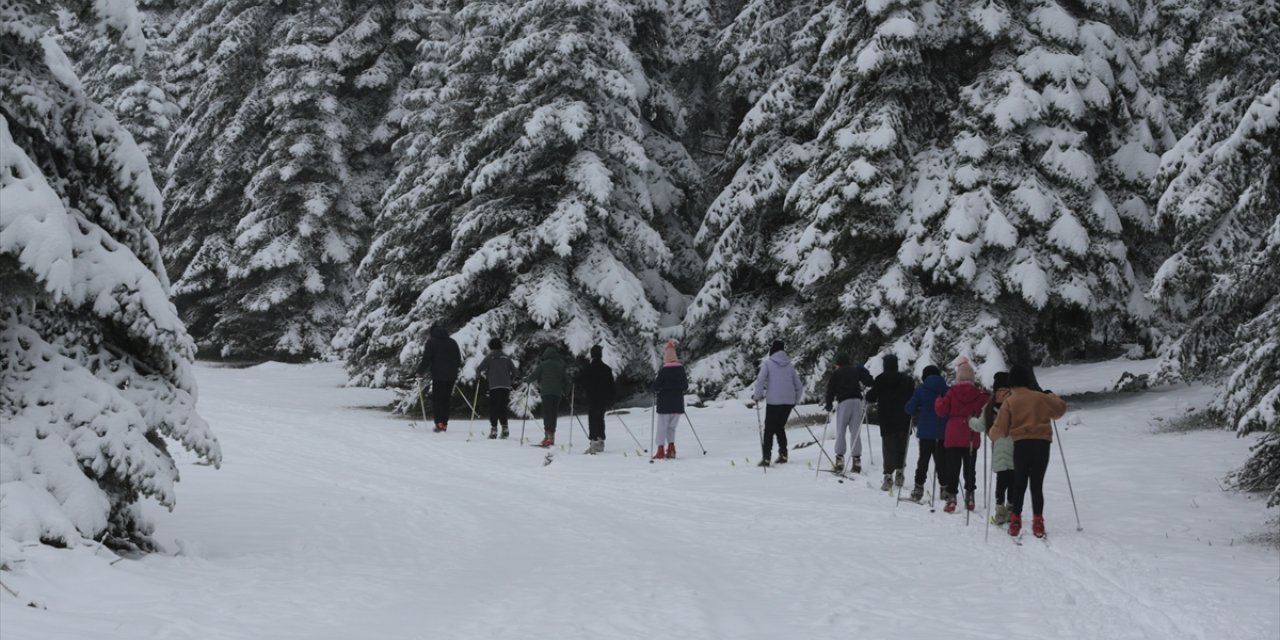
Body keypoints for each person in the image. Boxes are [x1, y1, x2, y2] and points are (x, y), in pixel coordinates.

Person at [989, 364, 1067, 538]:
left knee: (1020, 483)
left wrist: (991, 434)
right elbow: (1060, 409)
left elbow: (1000, 429)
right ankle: (1038, 521)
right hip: (1042, 443)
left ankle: (1016, 519)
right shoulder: (1040, 398)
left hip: (1021, 444)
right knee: (1037, 484)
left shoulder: (1010, 401)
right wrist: (1051, 395)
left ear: (1012, 382)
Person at [934, 357, 990, 512]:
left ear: (958, 377)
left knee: (953, 468)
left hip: (953, 435)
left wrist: (939, 399)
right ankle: (970, 496)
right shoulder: (979, 394)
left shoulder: (951, 392)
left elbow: (941, 410)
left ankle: (951, 498)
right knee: (970, 468)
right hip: (971, 433)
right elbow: (986, 407)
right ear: (972, 377)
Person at [865, 353, 914, 490]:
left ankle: (888, 476)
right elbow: (913, 395)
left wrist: (868, 396)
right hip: (904, 418)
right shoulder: (907, 379)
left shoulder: (881, 379)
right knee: (902, 446)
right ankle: (900, 472)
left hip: (887, 419)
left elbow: (872, 396)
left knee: (888, 447)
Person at [969, 371, 1013, 524]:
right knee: (1014, 479)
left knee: (1002, 479)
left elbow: (980, 426)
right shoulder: (1016, 402)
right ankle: (1011, 508)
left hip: (999, 447)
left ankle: (999, 508)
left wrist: (970, 420)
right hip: (1017, 446)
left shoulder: (989, 406)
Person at [753, 340, 804, 467]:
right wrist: (794, 401)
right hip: (788, 402)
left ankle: (766, 458)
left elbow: (760, 380)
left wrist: (757, 396)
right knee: (779, 427)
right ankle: (783, 454)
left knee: (769, 429)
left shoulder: (768, 363)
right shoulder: (789, 366)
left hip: (774, 401)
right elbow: (799, 386)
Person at [903, 364, 948, 502]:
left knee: (923, 460)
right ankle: (945, 488)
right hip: (942, 432)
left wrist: (918, 410)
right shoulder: (947, 390)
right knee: (941, 461)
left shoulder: (921, 390)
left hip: (925, 432)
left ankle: (918, 488)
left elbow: (909, 409)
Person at [823, 354, 873, 474]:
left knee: (841, 430)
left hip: (844, 402)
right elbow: (869, 382)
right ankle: (857, 461)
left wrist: (828, 403)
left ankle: (840, 460)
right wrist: (864, 371)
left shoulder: (837, 373)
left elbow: (831, 389)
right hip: (857, 402)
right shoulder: (856, 370)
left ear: (838, 364)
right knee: (855, 431)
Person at [416, 324, 461, 432]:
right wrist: (453, 369)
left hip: (438, 375)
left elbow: (426, 359)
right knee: (446, 399)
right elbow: (458, 359)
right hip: (451, 376)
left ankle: (439, 423)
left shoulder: (431, 342)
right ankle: (444, 424)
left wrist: (419, 372)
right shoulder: (453, 342)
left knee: (437, 399)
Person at [648, 340, 688, 460]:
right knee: (672, 428)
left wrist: (655, 388)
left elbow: (655, 386)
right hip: (677, 404)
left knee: (662, 427)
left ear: (666, 357)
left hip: (664, 404)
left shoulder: (664, 371)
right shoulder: (681, 370)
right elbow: (685, 386)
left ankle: (660, 450)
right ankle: (671, 448)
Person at [476, 337, 519, 440]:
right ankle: (505, 428)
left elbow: (479, 368)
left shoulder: (490, 357)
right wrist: (511, 380)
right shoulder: (506, 357)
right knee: (502, 407)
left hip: (494, 386)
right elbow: (515, 372)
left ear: (491, 347)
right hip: (505, 386)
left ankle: (494, 429)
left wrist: (478, 377)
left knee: (494, 407)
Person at [528, 346, 571, 447]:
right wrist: (566, 391)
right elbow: (567, 380)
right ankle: (551, 437)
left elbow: (535, 374)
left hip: (546, 392)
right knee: (553, 414)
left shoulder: (543, 365)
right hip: (557, 394)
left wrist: (528, 380)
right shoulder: (559, 365)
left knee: (547, 414)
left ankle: (549, 437)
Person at [577, 345, 616, 454]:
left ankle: (594, 441)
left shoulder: (588, 368)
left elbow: (581, 380)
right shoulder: (606, 369)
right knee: (600, 418)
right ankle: (600, 440)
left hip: (592, 397)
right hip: (603, 398)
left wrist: (575, 381)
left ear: (592, 355)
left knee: (593, 418)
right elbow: (612, 385)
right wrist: (612, 399)